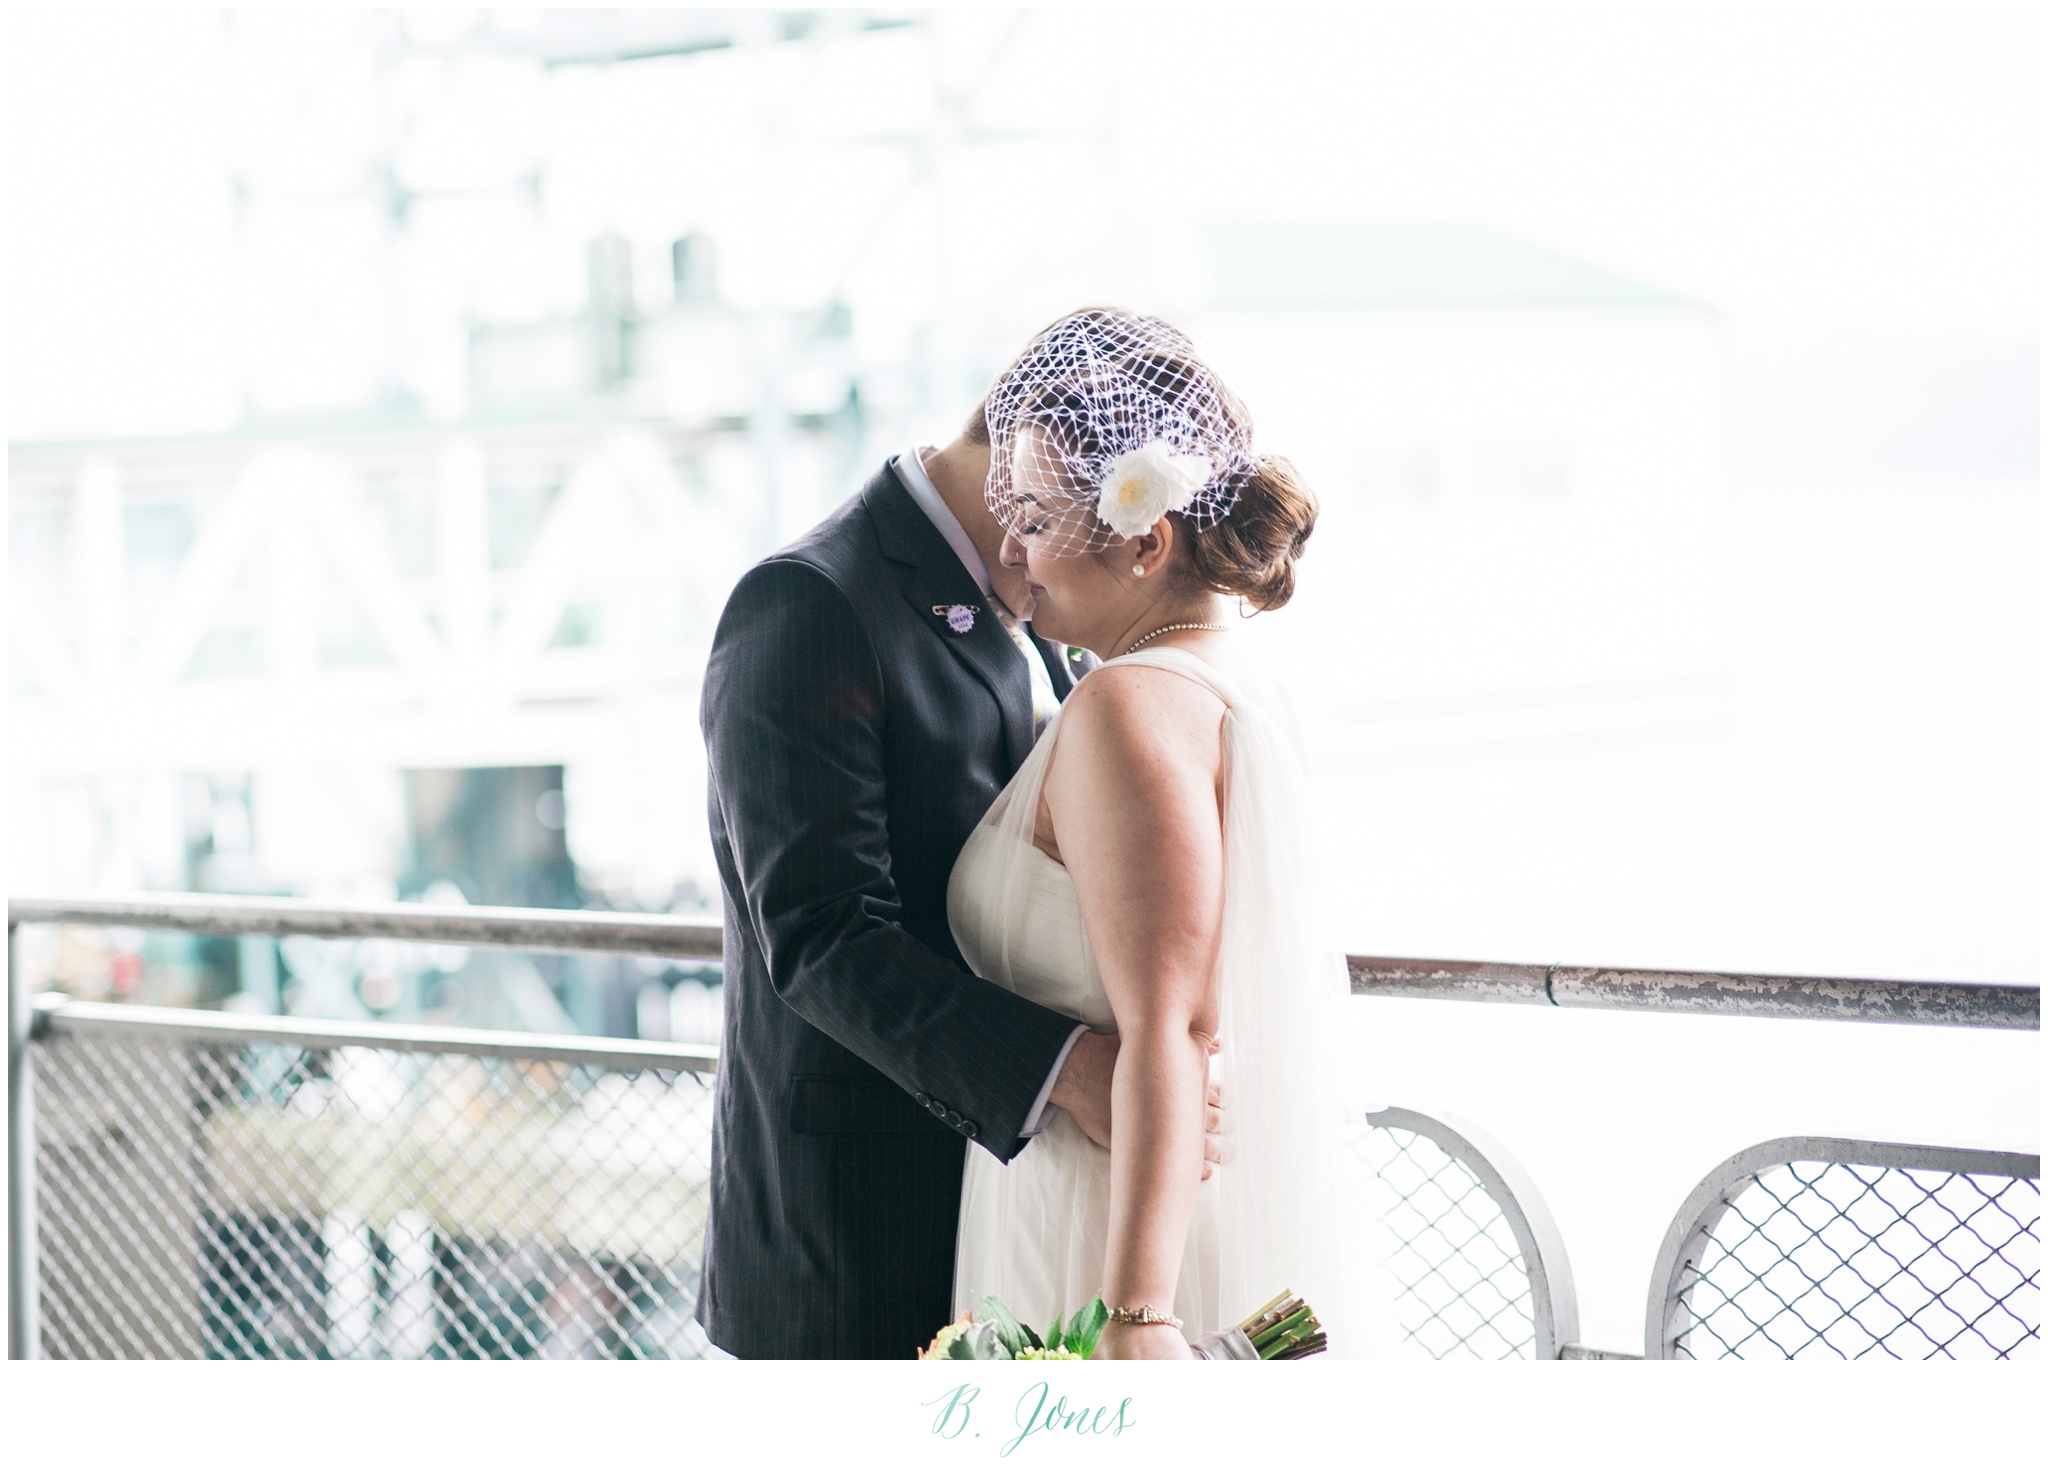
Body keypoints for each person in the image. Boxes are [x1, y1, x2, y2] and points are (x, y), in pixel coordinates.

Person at [696, 367, 1226, 1358]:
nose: (1053, 537)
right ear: (1020, 454)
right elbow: (819, 936)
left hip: (1021, 1212)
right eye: (1038, 507)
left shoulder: (1062, 604)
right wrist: (1072, 1071)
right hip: (856, 1228)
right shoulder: (805, 602)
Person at [947, 308, 1353, 1359]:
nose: (1010, 549)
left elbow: (1174, 1026)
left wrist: (1136, 1317)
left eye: (1033, 516)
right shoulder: (1239, 677)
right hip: (1144, 1193)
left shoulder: (1128, 707)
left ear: (1142, 537)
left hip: (1107, 1228)